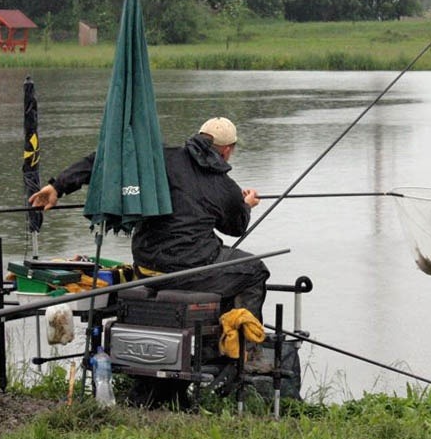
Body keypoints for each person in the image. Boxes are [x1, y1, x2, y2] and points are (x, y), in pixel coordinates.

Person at [28, 117, 270, 320]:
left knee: (228, 263)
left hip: (146, 266)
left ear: (198, 137)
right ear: (227, 150)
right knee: (255, 270)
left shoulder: (159, 158)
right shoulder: (225, 186)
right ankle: (246, 348)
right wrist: (245, 205)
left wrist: (57, 187)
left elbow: (107, 161)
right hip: (189, 271)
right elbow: (236, 228)